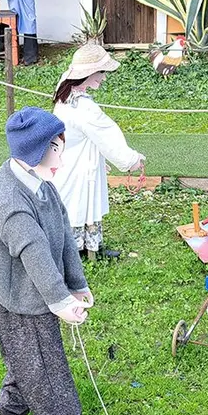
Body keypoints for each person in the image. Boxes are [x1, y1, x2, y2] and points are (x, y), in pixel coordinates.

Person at [0, 106, 135, 415]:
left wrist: (76, 284)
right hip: (18, 299)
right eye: (56, 149)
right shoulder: (9, 200)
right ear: (35, 151)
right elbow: (34, 252)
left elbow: (63, 232)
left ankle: (9, 412)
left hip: (38, 291)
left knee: (28, 360)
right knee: (46, 370)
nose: (61, 158)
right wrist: (59, 300)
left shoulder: (41, 183)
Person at [51, 44, 144, 260]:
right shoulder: (84, 107)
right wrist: (132, 160)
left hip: (69, 158)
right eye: (101, 72)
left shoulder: (65, 92)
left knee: (75, 203)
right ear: (89, 73)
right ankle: (77, 253)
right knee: (78, 203)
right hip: (77, 164)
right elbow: (107, 134)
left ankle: (85, 248)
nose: (103, 77)